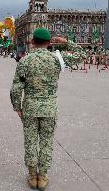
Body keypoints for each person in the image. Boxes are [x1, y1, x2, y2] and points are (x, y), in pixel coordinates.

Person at [10, 28, 86, 191]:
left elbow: (16, 87)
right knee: (46, 142)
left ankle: (32, 174)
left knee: (30, 141)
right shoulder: (57, 59)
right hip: (49, 108)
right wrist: (66, 42)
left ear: (32, 42)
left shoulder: (25, 61)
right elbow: (82, 55)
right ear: (49, 43)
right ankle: (42, 175)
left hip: (30, 108)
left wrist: (17, 107)